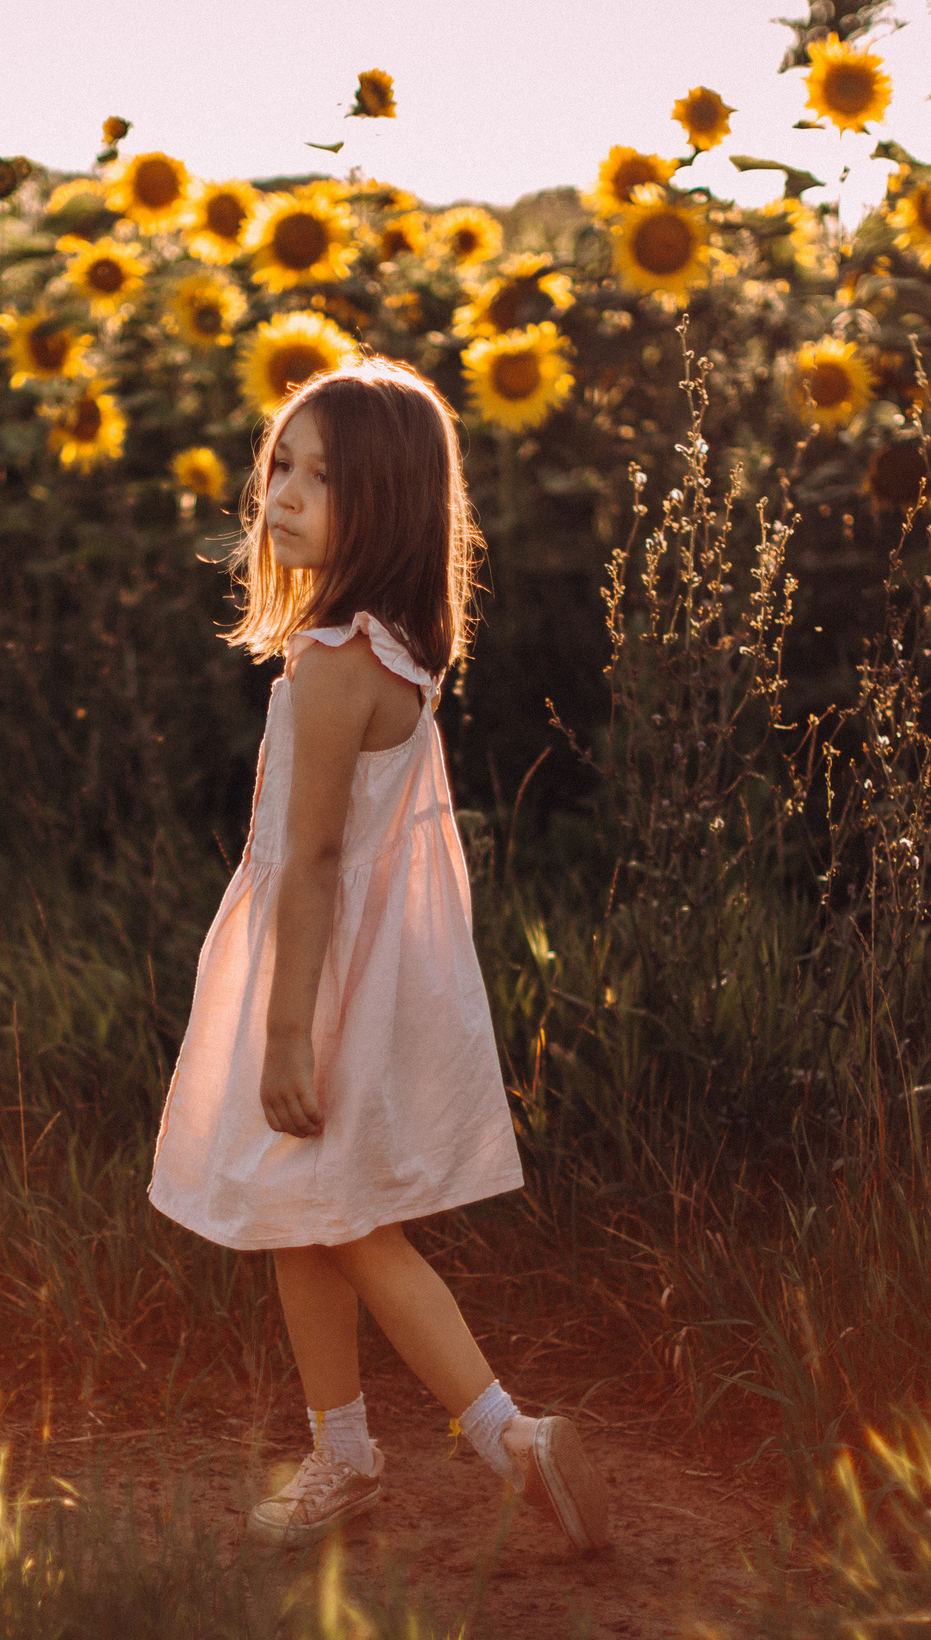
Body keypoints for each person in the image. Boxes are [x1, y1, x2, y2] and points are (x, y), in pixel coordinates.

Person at [147, 357, 611, 1552]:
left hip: (319, 984)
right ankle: (343, 1452)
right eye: (280, 468)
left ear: (389, 506)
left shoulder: (331, 667)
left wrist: (283, 1033)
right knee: (298, 1211)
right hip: (373, 972)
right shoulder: (397, 650)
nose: (284, 497)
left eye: (324, 479)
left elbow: (308, 862)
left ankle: (506, 1435)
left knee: (345, 1223)